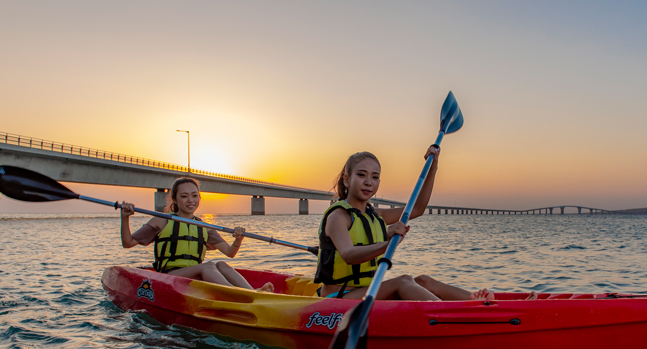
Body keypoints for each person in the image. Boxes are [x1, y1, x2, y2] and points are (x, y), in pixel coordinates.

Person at [314, 147, 495, 301]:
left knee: (423, 281)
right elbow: (349, 255)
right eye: (361, 175)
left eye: (375, 177)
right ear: (346, 179)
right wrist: (387, 244)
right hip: (339, 298)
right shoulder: (339, 216)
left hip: (367, 292)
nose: (368, 182)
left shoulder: (376, 215)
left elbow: (417, 208)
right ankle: (454, 316)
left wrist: (432, 167)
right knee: (403, 281)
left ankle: (476, 302)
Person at [119, 176, 272, 291]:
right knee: (208, 266)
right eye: (184, 196)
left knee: (221, 264)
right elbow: (128, 243)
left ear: (199, 197)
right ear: (175, 199)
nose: (190, 200)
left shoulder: (204, 226)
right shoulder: (162, 221)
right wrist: (125, 218)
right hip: (168, 276)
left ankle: (253, 293)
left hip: (195, 276)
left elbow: (230, 253)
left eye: (194, 195)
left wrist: (239, 239)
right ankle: (239, 295)